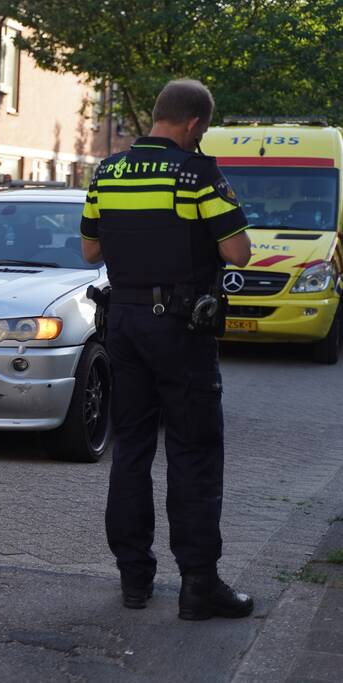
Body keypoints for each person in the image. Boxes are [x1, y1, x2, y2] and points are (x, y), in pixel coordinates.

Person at [79, 79, 254, 620]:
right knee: (193, 452)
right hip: (181, 328)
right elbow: (239, 252)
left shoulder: (106, 172)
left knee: (131, 449)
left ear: (156, 114)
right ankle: (199, 585)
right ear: (195, 125)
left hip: (124, 324)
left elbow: (90, 249)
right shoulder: (197, 172)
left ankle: (134, 579)